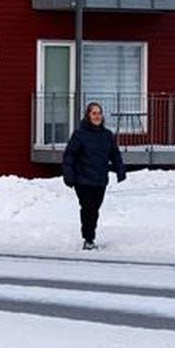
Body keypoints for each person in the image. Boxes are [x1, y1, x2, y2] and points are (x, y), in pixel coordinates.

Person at [62, 101, 126, 250]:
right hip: (82, 180)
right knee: (88, 208)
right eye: (94, 113)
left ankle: (90, 236)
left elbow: (114, 154)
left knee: (95, 210)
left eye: (99, 113)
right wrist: (68, 175)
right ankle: (88, 238)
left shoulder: (107, 135)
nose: (97, 116)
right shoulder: (79, 135)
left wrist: (120, 170)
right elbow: (69, 156)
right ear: (88, 116)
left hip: (100, 180)